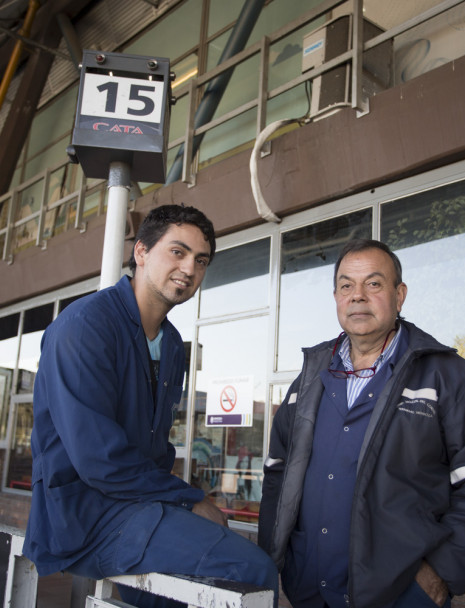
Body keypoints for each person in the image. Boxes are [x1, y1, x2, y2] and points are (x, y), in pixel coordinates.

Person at [23, 204, 278, 607]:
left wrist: (181, 500)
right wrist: (190, 499)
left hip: (140, 509)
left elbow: (155, 448)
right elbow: (98, 459)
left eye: (201, 260)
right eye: (177, 252)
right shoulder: (84, 326)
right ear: (141, 252)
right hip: (84, 518)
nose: (189, 268)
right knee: (252, 572)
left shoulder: (172, 344)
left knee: (194, 579)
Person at [259, 239, 465, 608]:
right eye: (347, 285)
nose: (358, 296)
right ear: (335, 296)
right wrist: (279, 558)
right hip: (309, 591)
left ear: (399, 295)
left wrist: (441, 574)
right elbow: (278, 473)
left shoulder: (450, 378)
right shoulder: (308, 382)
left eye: (374, 283)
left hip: (402, 596)